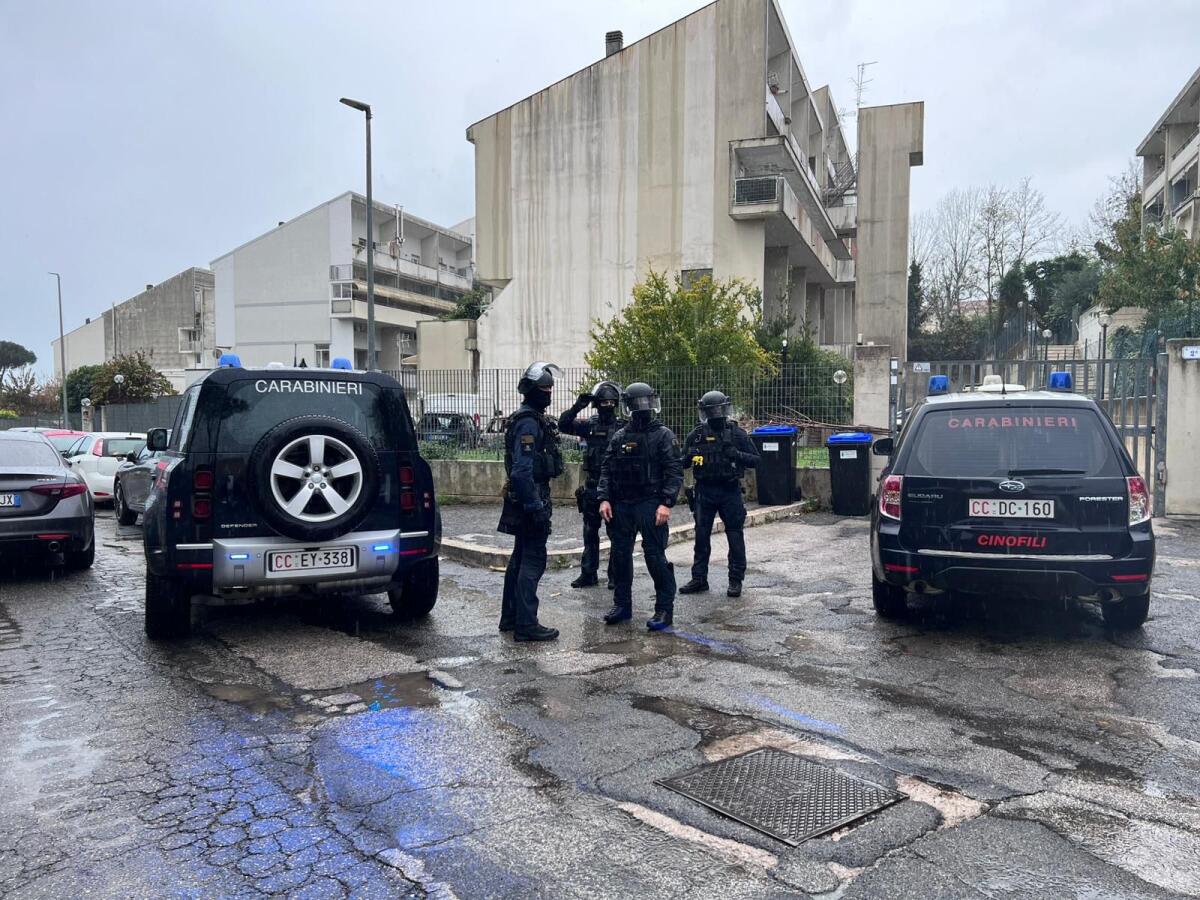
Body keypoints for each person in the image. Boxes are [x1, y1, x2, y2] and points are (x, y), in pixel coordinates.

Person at [596, 382, 683, 631]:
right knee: (620, 556)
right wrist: (604, 498)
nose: (641, 408)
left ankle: (664, 609)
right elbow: (607, 469)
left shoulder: (663, 435)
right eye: (637, 404)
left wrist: (666, 503)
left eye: (645, 402)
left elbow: (674, 471)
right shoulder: (620, 436)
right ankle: (622, 605)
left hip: (650, 503)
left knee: (655, 557)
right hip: (622, 504)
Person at [497, 361, 565, 641]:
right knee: (533, 560)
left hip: (525, 499)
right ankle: (526, 624)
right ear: (531, 390)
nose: (548, 393)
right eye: (544, 389)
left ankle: (510, 618)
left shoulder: (528, 418)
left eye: (550, 388)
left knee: (520, 559)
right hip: (530, 500)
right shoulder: (528, 422)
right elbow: (521, 472)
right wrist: (535, 508)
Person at [679, 390, 759, 598]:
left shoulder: (737, 434)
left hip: (729, 489)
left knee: (734, 535)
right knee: (701, 536)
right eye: (711, 410)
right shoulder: (696, 435)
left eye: (717, 410)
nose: (715, 414)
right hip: (704, 490)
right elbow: (681, 463)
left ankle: (735, 579)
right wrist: (689, 456)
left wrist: (736, 454)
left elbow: (756, 460)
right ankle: (699, 579)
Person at [558, 381, 625, 590]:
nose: (608, 406)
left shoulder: (622, 427)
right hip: (593, 485)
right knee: (589, 532)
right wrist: (578, 406)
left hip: (615, 488)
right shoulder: (590, 426)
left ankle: (615, 576)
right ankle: (588, 574)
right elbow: (563, 424)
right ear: (596, 404)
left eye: (611, 402)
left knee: (616, 534)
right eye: (603, 402)